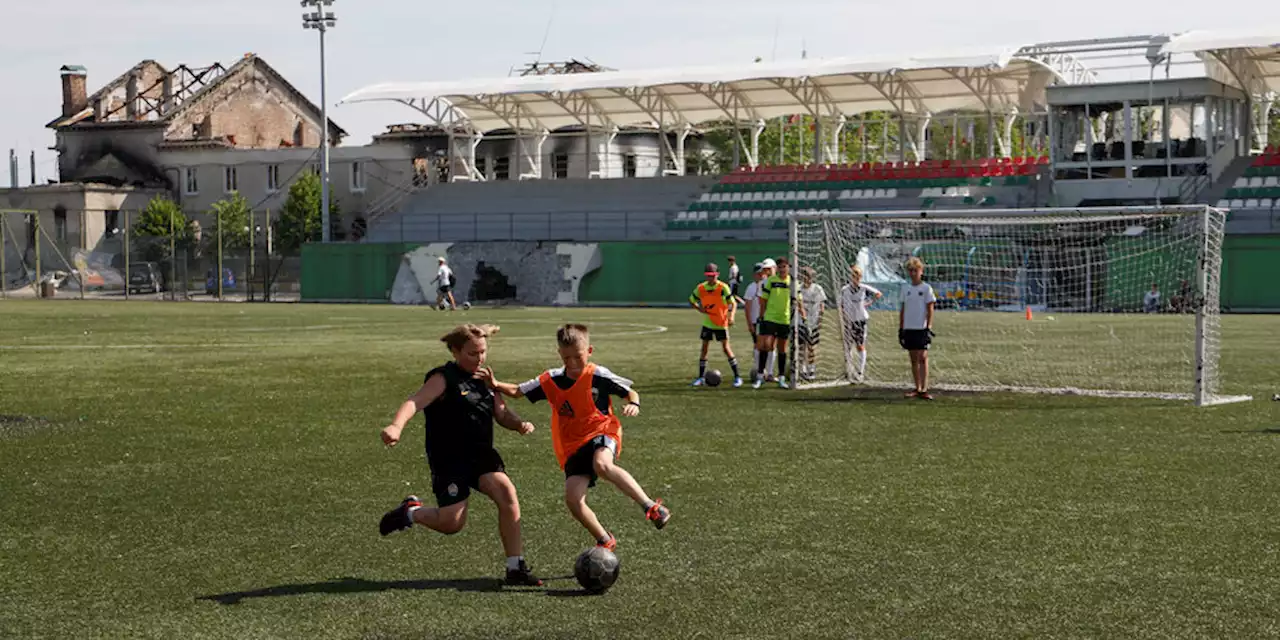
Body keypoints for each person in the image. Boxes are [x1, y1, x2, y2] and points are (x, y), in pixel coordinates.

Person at [377, 324, 543, 586]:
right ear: (455, 351)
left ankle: (515, 567)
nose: (479, 359)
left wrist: (519, 424)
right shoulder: (443, 378)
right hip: (449, 459)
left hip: (481, 456)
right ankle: (411, 512)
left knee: (506, 492)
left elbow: (501, 413)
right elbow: (414, 402)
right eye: (472, 353)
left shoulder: (485, 379)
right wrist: (396, 426)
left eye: (483, 352)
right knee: (451, 524)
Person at [481, 324, 671, 551]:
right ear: (559, 353)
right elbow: (518, 391)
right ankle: (604, 539)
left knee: (602, 464)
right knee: (573, 499)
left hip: (602, 430)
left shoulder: (597, 375)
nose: (572, 363)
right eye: (567, 357)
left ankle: (651, 507)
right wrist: (495, 385)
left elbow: (630, 391)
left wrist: (634, 403)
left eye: (578, 357)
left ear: (589, 351)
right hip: (572, 445)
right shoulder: (550, 380)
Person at [688, 262, 743, 387]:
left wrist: (731, 316)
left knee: (726, 349)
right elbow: (692, 299)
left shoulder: (723, 287)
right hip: (708, 322)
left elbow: (733, 303)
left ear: (717, 274)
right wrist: (699, 309)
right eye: (708, 275)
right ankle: (701, 378)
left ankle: (737, 377)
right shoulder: (701, 288)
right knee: (704, 349)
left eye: (713, 275)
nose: (711, 278)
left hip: (721, 322)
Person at [898, 258, 936, 400]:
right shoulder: (905, 289)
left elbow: (930, 308)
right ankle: (917, 387)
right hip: (909, 327)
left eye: (916, 270)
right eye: (911, 270)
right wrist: (901, 328)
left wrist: (929, 326)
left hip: (921, 328)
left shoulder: (926, 288)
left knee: (923, 357)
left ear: (921, 271)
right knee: (913, 358)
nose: (913, 273)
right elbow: (903, 309)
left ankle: (924, 388)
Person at [838, 265, 883, 382]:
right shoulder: (845, 290)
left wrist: (868, 303)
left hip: (861, 320)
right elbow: (842, 305)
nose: (855, 278)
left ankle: (860, 372)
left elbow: (878, 293)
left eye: (857, 276)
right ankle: (849, 370)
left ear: (860, 277)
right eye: (853, 275)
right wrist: (844, 317)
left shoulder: (864, 288)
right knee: (848, 346)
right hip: (849, 321)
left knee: (860, 345)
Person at [754, 257, 793, 389]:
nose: (782, 269)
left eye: (784, 267)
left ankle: (781, 377)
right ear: (777, 269)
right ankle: (760, 376)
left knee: (782, 349)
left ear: (788, 268)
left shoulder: (792, 282)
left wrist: (802, 315)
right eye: (780, 267)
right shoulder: (770, 281)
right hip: (770, 318)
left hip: (785, 319)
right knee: (766, 345)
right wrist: (762, 316)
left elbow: (797, 300)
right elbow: (763, 300)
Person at [795, 267, 827, 382]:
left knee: (812, 347)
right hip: (801, 322)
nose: (807, 279)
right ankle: (802, 370)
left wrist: (819, 320)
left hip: (813, 322)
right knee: (801, 347)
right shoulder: (798, 288)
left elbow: (822, 307)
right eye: (804, 276)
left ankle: (811, 369)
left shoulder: (818, 289)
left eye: (809, 276)